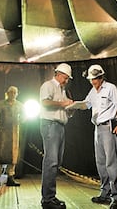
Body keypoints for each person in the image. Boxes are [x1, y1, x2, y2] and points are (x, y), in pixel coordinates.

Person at [82, 64, 117, 209]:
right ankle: (104, 194)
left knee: (111, 162)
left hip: (108, 127)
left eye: (95, 79)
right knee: (100, 162)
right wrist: (70, 105)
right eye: (91, 79)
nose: (93, 81)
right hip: (97, 128)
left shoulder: (111, 88)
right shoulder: (92, 92)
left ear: (101, 77)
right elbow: (86, 104)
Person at [38, 63, 75, 209]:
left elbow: (62, 108)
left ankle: (50, 197)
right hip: (50, 125)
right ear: (58, 74)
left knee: (56, 162)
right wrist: (63, 103)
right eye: (65, 78)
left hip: (60, 126)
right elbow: (45, 103)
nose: (66, 81)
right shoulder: (48, 85)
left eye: (67, 79)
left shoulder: (63, 90)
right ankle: (47, 200)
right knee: (51, 161)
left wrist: (70, 109)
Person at [0, 86, 24, 187]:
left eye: (14, 92)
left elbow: (25, 114)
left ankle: (10, 177)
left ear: (17, 94)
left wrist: (21, 120)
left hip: (14, 132)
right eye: (10, 92)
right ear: (7, 93)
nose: (12, 94)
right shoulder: (1, 104)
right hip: (2, 133)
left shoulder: (19, 105)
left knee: (13, 154)